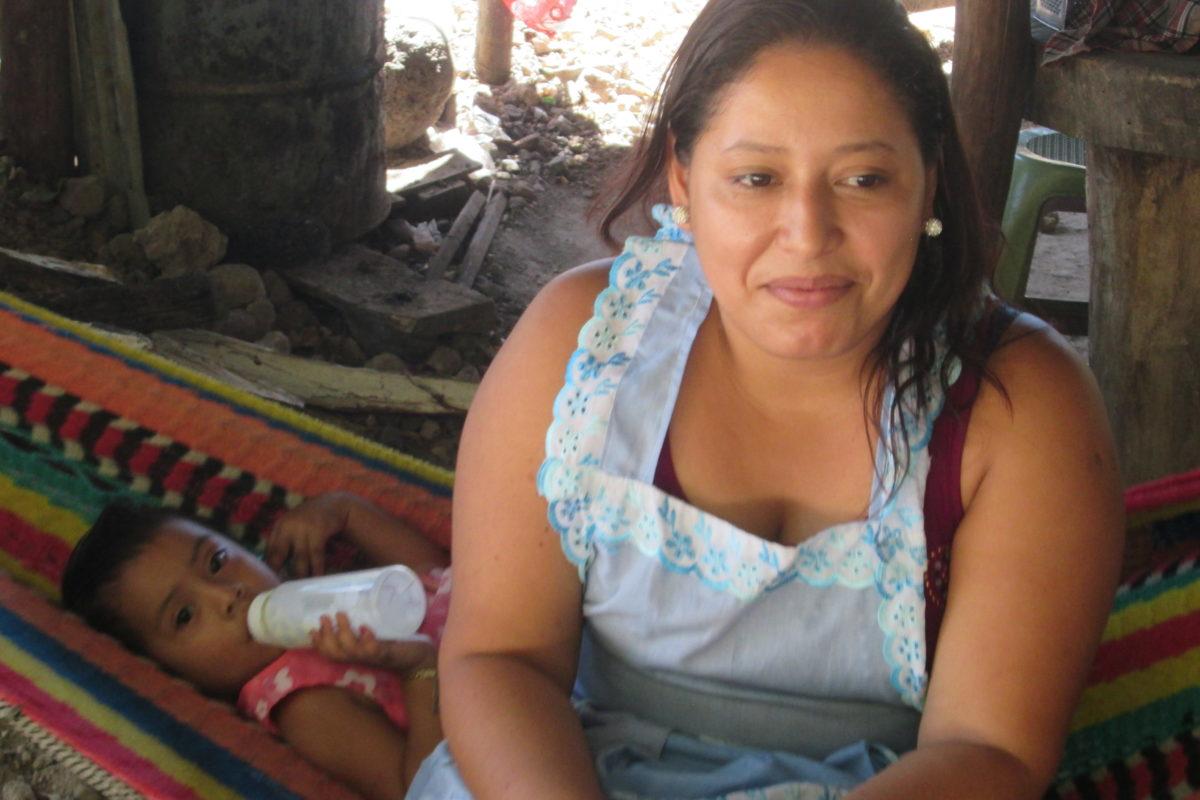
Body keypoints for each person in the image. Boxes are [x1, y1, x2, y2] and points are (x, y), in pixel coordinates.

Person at [412, 0, 1126, 797]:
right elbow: (499, 659)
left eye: (864, 179)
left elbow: (989, 751)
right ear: (684, 178)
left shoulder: (1018, 407)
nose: (807, 232)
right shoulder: (585, 351)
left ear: (930, 183)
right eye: (756, 178)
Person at [60, 492, 450, 800]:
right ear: (169, 672)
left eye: (216, 561)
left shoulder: (321, 596)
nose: (227, 595)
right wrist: (420, 669)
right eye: (184, 616)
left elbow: (439, 583)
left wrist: (343, 511)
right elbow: (423, 791)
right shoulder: (303, 701)